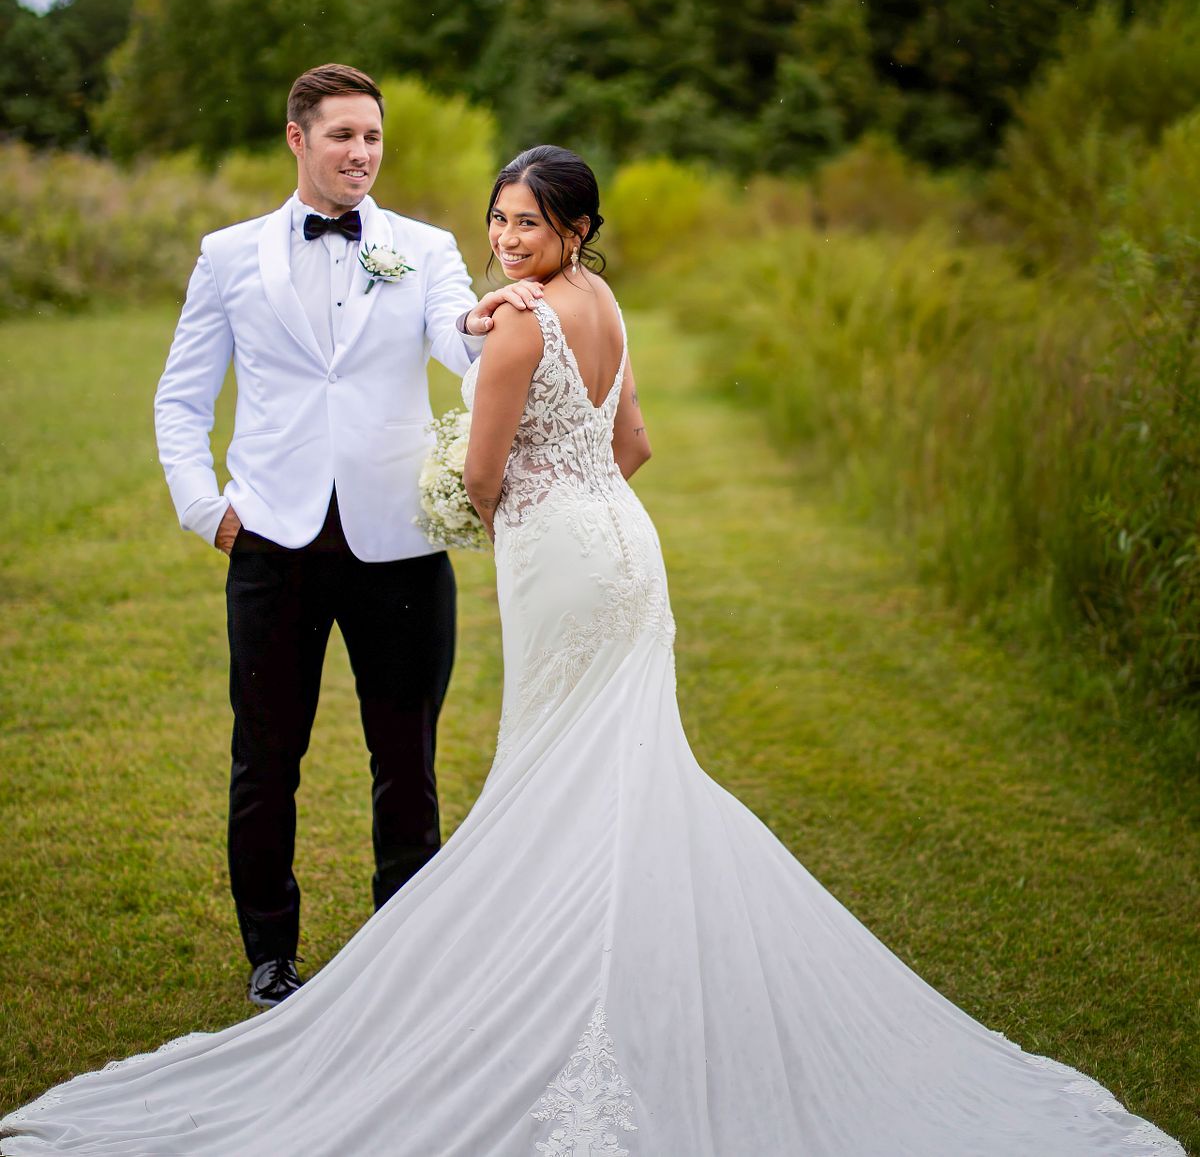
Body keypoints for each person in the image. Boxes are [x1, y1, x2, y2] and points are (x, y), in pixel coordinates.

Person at [0, 148, 1183, 1155]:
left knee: (555, 769)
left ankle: (556, 992)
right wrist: (564, 487)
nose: (508, 239)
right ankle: (605, 980)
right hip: (625, 548)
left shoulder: (518, 325)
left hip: (561, 562)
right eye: (499, 221)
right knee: (622, 767)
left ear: (573, 228)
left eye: (529, 222)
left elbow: (478, 470)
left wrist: (489, 503)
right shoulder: (605, 306)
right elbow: (636, 443)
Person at [149, 64, 539, 1008]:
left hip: (398, 544)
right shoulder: (229, 254)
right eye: (343, 136)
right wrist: (210, 510)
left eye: (373, 137)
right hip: (272, 543)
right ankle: (271, 955)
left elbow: (457, 339)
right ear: (298, 139)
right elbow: (181, 396)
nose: (362, 153)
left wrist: (495, 317)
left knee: (405, 754)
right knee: (266, 757)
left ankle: (402, 955)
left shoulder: (425, 245)